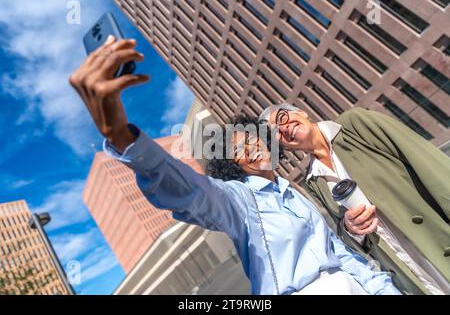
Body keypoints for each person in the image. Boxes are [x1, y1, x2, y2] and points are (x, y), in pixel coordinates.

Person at [69, 35, 400, 295]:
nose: (253, 149)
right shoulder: (240, 201)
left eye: (253, 138)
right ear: (235, 166)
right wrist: (121, 136)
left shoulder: (296, 193)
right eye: (239, 150)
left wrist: (383, 289)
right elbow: (192, 192)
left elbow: (339, 253)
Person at [259, 103, 450, 295]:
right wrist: (352, 229)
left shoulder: (354, 124)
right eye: (276, 133)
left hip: (436, 241)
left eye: (282, 118)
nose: (283, 128)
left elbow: (428, 164)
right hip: (409, 270)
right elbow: (345, 236)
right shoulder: (313, 181)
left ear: (301, 112)